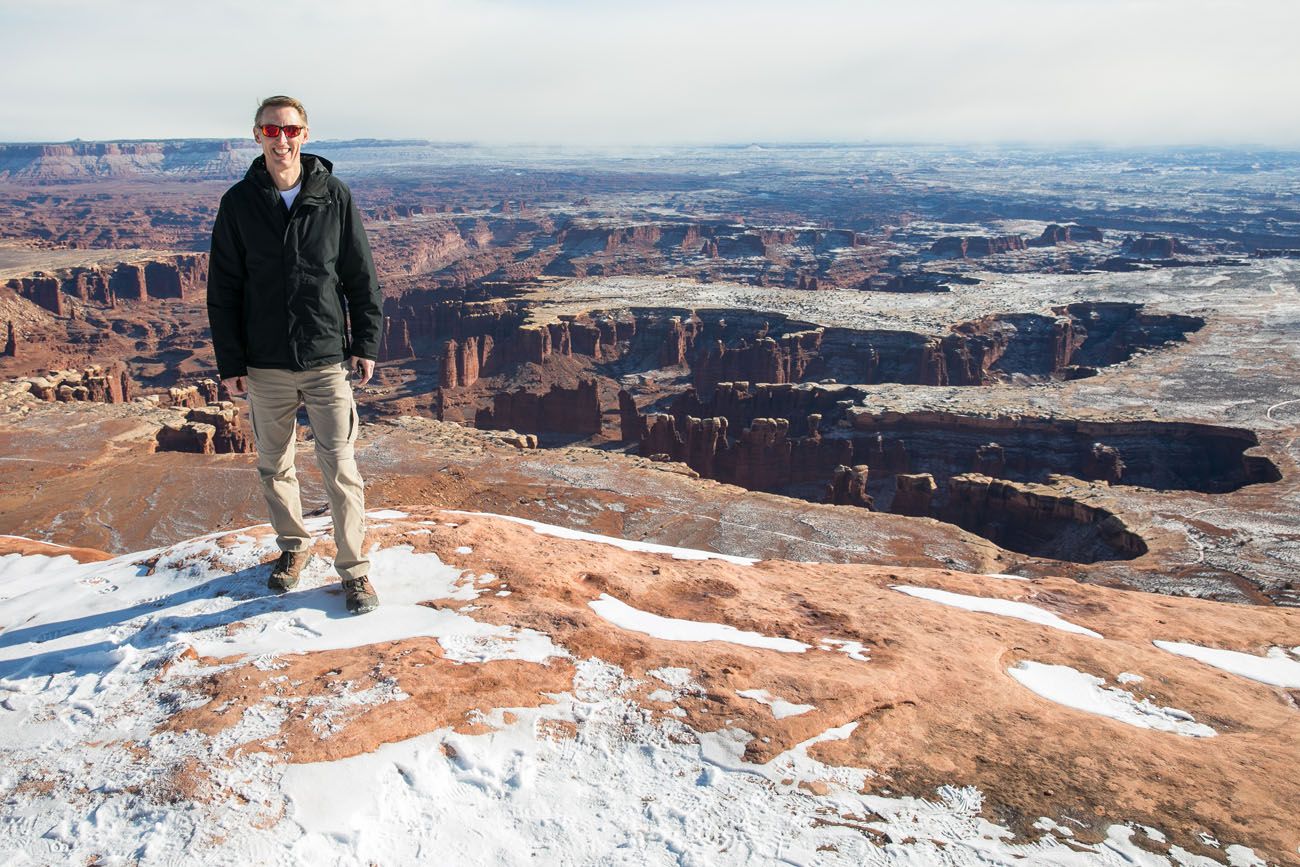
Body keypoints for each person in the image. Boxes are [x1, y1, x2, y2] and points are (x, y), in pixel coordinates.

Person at [206, 95, 383, 614]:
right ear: (257, 135)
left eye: (290, 130)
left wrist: (365, 344)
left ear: (305, 134)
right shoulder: (238, 203)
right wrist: (231, 362)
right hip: (264, 363)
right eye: (270, 130)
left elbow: (360, 277)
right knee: (274, 464)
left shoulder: (335, 197)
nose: (280, 139)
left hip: (327, 358)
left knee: (341, 468)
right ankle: (293, 548)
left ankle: (354, 572)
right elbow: (224, 290)